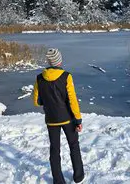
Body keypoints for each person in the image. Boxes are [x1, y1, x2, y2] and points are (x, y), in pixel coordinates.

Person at [33, 48, 85, 184]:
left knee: (54, 149)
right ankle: (78, 176)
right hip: (68, 119)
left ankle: (58, 180)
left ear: (49, 62)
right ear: (59, 61)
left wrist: (47, 101)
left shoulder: (39, 78)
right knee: (74, 145)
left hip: (51, 120)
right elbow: (73, 100)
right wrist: (78, 119)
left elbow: (36, 101)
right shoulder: (66, 76)